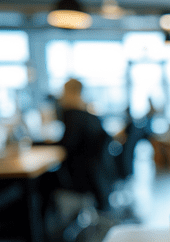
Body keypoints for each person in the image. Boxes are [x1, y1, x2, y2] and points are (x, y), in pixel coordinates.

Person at [44, 78, 116, 215]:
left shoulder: (73, 115)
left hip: (81, 178)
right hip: (99, 177)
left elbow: (66, 146)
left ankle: (47, 230)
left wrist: (38, 145)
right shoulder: (91, 115)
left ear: (68, 93)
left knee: (43, 180)